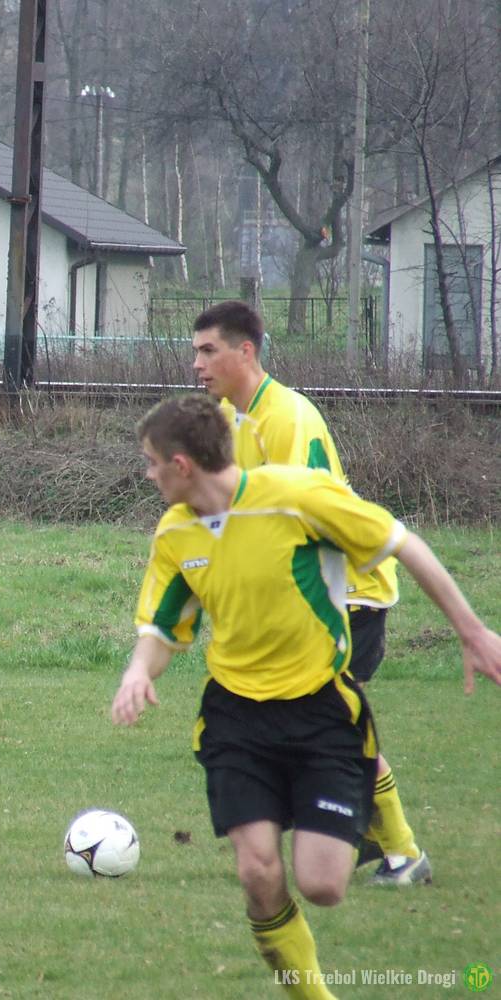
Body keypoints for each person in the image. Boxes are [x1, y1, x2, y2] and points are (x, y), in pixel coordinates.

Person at [112, 394, 501, 999]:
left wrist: (471, 631)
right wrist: (139, 671)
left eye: (151, 461)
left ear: (181, 464)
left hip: (321, 709)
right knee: (258, 871)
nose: (147, 473)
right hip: (235, 717)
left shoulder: (296, 497)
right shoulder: (175, 533)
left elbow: (403, 543)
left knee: (323, 885)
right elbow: (164, 628)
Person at [190, 300, 426, 886]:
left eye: (209, 350)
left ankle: (402, 851)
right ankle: (359, 835)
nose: (197, 363)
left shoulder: (286, 417)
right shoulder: (229, 417)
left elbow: (294, 518)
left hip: (346, 591)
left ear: (246, 351)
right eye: (195, 352)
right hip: (304, 591)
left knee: (336, 723)